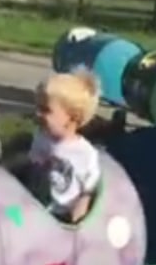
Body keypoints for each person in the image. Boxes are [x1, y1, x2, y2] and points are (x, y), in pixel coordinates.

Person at [24, 68, 102, 223]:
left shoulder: (85, 154)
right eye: (38, 108)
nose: (38, 114)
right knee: (8, 216)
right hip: (35, 208)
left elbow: (87, 192)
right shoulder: (41, 137)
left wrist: (77, 220)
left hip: (62, 219)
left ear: (73, 117)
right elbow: (32, 167)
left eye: (45, 110)